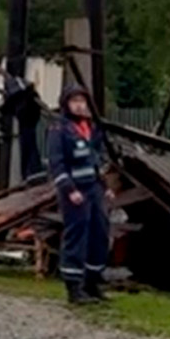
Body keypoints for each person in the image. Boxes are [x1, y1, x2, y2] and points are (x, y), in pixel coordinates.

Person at [47, 85, 110, 304]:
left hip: (94, 189)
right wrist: (69, 190)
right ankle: (73, 287)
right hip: (74, 191)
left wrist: (105, 185)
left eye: (82, 101)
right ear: (66, 104)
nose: (79, 105)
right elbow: (56, 163)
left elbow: (96, 159)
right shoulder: (59, 128)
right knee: (76, 236)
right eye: (74, 101)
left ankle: (92, 283)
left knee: (99, 234)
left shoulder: (90, 127)